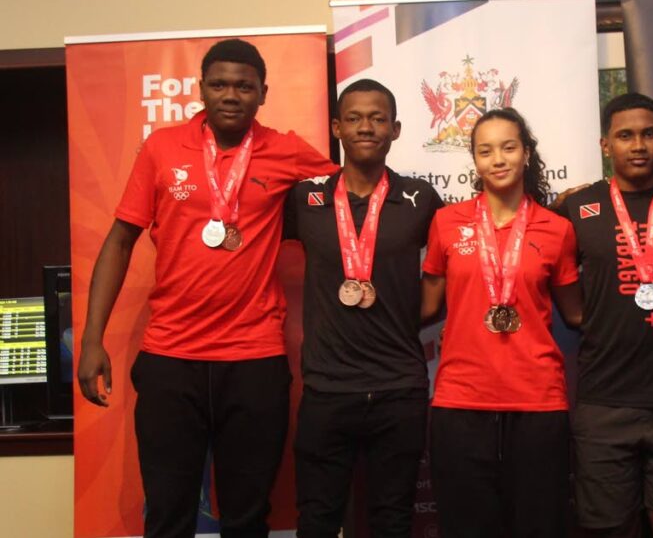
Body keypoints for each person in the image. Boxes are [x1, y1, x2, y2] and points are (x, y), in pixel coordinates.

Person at [77, 39, 336, 538]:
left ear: (263, 93)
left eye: (244, 86)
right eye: (219, 84)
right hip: (172, 358)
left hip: (255, 360)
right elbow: (119, 241)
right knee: (168, 515)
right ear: (201, 90)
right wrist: (92, 341)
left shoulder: (286, 150)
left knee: (247, 518)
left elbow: (349, 203)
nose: (231, 95)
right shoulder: (160, 148)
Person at [284, 78, 442, 538]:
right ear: (337, 127)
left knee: (392, 521)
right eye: (353, 118)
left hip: (398, 388)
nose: (366, 127)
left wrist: (407, 316)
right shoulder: (305, 198)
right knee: (317, 520)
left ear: (395, 129)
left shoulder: (420, 199)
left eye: (377, 118)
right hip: (327, 389)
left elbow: (457, 262)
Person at [420, 108, 582, 538]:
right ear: (474, 160)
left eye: (508, 147)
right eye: (485, 150)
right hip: (461, 400)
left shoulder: (558, 230)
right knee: (466, 527)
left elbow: (577, 313)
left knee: (538, 525)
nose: (498, 159)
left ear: (526, 153)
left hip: (537, 401)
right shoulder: (446, 223)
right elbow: (428, 305)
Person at [557, 92, 653, 537]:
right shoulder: (575, 208)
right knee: (610, 527)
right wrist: (591, 318)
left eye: (648, 134)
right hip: (603, 398)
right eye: (625, 136)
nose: (637, 145)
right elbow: (559, 287)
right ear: (606, 145)